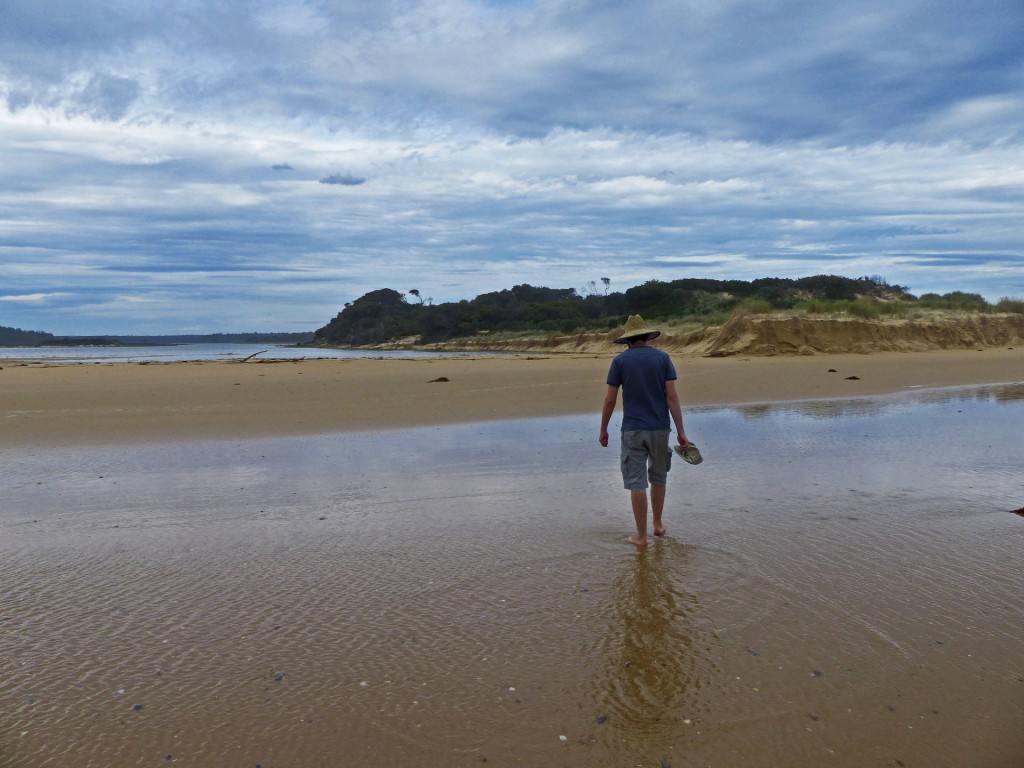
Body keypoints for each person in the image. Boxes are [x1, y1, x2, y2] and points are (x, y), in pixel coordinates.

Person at [599, 315, 690, 547]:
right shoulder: (663, 358)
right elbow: (672, 396)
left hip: (633, 429)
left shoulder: (620, 362)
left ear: (628, 339)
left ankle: (641, 536)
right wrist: (681, 432)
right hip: (660, 428)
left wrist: (604, 429)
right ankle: (658, 525)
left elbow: (610, 400)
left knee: (636, 482)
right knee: (659, 477)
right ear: (646, 336)